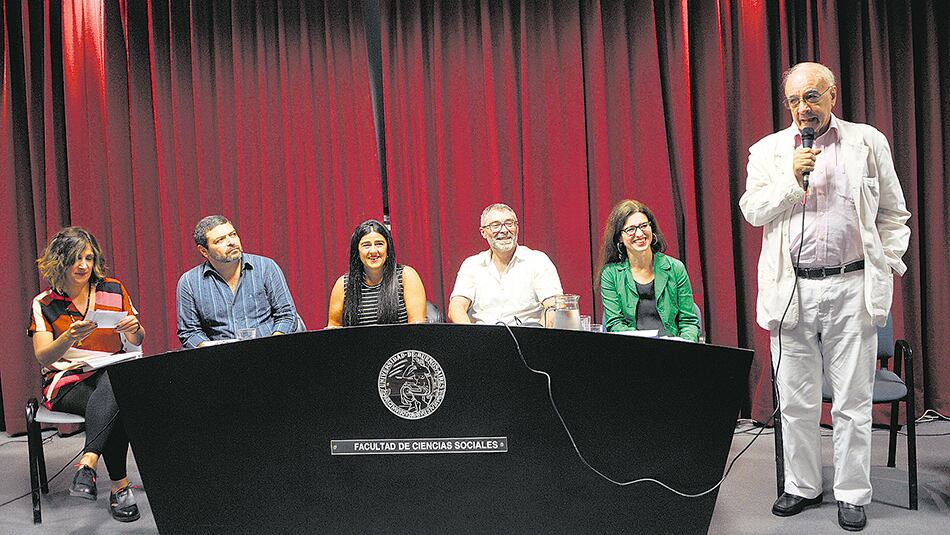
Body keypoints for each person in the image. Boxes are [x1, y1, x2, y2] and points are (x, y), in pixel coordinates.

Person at [739, 62, 910, 532]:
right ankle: (801, 485)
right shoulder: (770, 151)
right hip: (791, 287)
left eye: (811, 97)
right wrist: (790, 182)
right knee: (794, 399)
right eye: (793, 100)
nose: (802, 109)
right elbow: (753, 211)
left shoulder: (868, 142)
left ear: (832, 95)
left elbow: (895, 214)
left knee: (853, 400)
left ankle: (852, 494)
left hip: (852, 285)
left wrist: (889, 262)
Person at [28, 227, 145, 522]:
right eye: (75, 258)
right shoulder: (44, 303)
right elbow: (44, 356)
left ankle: (87, 466)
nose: (83, 265)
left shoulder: (113, 289)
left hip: (110, 372)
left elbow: (138, 340)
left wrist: (135, 330)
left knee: (113, 384)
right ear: (60, 261)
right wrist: (67, 337)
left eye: (88, 258)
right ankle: (120, 488)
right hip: (67, 381)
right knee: (115, 397)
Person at [176, 215, 300, 347]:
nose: (231, 242)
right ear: (204, 251)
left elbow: (287, 315)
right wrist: (208, 350)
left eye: (233, 234)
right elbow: (189, 332)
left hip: (269, 353)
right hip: (219, 359)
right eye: (220, 240)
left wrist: (272, 344)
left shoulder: (266, 267)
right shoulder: (189, 282)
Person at [597, 199, 700, 341]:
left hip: (672, 350)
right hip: (634, 350)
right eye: (630, 229)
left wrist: (685, 345)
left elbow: (689, 321)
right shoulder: (610, 274)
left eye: (643, 226)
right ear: (620, 237)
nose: (639, 234)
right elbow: (615, 324)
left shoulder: (676, 268)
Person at [448, 203, 563, 325]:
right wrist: (472, 337)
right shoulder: (471, 265)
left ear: (517, 228)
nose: (503, 230)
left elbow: (554, 307)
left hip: (526, 338)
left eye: (509, 223)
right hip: (483, 339)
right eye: (495, 225)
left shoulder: (538, 261)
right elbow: (456, 307)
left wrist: (536, 336)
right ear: (483, 232)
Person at [327, 219, 426, 326]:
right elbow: (334, 328)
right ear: (357, 252)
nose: (373, 251)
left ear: (388, 249)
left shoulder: (407, 277)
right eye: (366, 245)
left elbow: (417, 328)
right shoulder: (343, 285)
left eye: (379, 244)